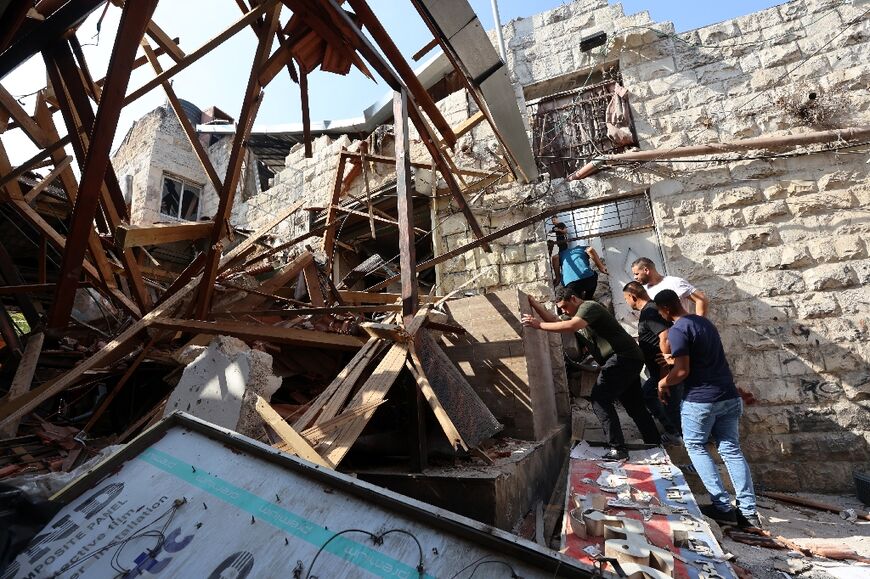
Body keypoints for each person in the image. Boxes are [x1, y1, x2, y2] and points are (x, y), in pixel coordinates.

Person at [654, 289, 761, 528]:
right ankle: (748, 513)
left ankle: (722, 507)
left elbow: (682, 372)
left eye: (660, 311)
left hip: (701, 400)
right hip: (728, 395)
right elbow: (701, 358)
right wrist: (674, 360)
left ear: (666, 309)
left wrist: (663, 382)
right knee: (731, 449)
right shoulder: (704, 323)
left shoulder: (678, 330)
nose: (661, 315)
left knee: (695, 446)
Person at [522, 285, 660, 460]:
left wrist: (538, 325)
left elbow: (571, 326)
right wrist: (534, 304)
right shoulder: (576, 314)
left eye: (565, 306)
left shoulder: (589, 307)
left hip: (622, 357)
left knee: (599, 399)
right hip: (628, 358)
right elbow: (555, 320)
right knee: (634, 405)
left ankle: (617, 448)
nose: (564, 311)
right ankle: (654, 442)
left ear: (573, 299)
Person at [622, 281, 682, 443]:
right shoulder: (650, 310)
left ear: (632, 296)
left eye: (626, 298)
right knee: (659, 398)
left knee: (665, 401)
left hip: (664, 369)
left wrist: (665, 369)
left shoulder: (650, 311)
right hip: (660, 369)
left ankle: (677, 435)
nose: (626, 302)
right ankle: (677, 433)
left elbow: (665, 337)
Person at [631, 257, 708, 317]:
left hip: (683, 331)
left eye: (636, 274)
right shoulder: (645, 290)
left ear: (646, 270)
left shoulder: (674, 282)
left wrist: (699, 324)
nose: (635, 277)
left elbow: (701, 299)